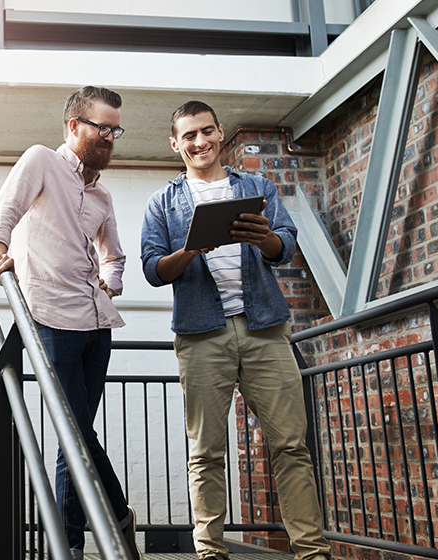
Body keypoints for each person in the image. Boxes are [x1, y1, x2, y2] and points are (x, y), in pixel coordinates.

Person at [140, 100, 331, 560]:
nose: (199, 142)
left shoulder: (257, 186)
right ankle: (211, 551)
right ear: (175, 143)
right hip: (202, 333)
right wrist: (190, 250)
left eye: (206, 132)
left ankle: (311, 550)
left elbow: (283, 246)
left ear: (220, 134)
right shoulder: (163, 202)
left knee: (290, 444)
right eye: (189, 135)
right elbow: (152, 268)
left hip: (265, 326)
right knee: (205, 450)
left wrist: (260, 236)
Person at [0, 86, 138, 560]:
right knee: (75, 433)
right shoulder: (40, 162)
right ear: (74, 126)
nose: (110, 137)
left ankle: (78, 540)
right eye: (102, 128)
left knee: (78, 435)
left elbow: (115, 256)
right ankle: (101, 525)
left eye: (115, 130)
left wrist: (111, 280)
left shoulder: (103, 195)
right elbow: (2, 214)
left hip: (97, 325)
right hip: (51, 318)